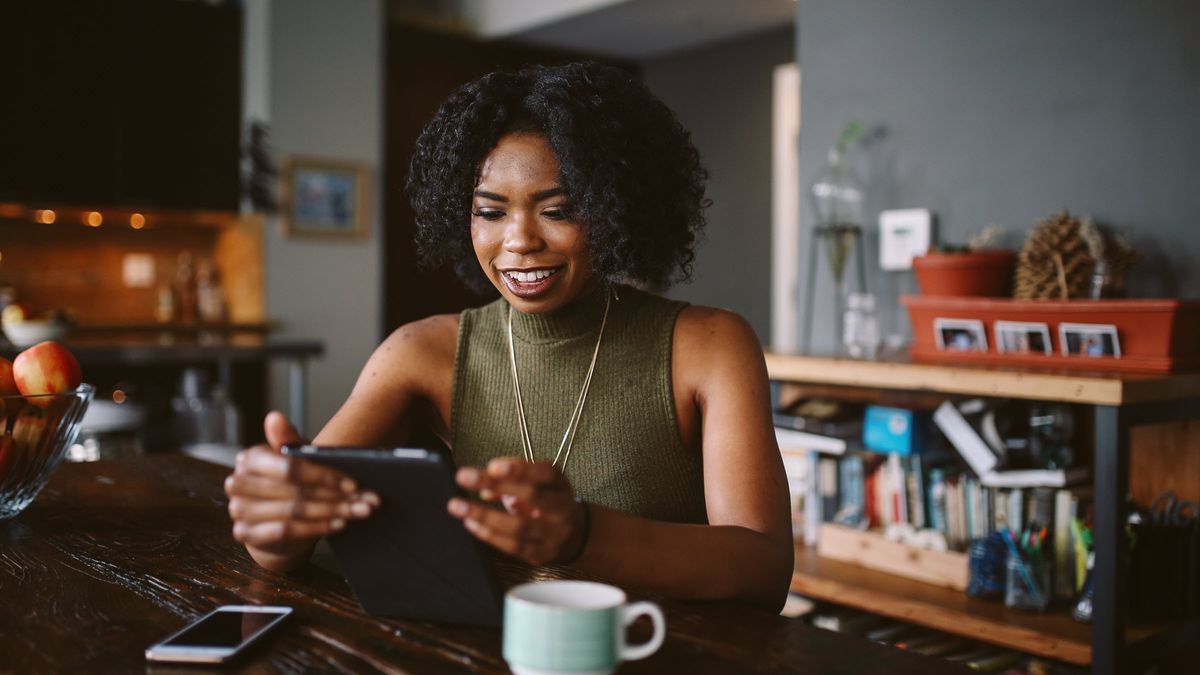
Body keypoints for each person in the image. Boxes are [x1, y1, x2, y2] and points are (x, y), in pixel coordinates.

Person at [223, 62, 793, 610]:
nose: (519, 240)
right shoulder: (422, 353)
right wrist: (275, 521)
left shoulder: (709, 345)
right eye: (490, 212)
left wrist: (582, 536)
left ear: (615, 210)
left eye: (559, 210)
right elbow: (286, 540)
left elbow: (764, 571)